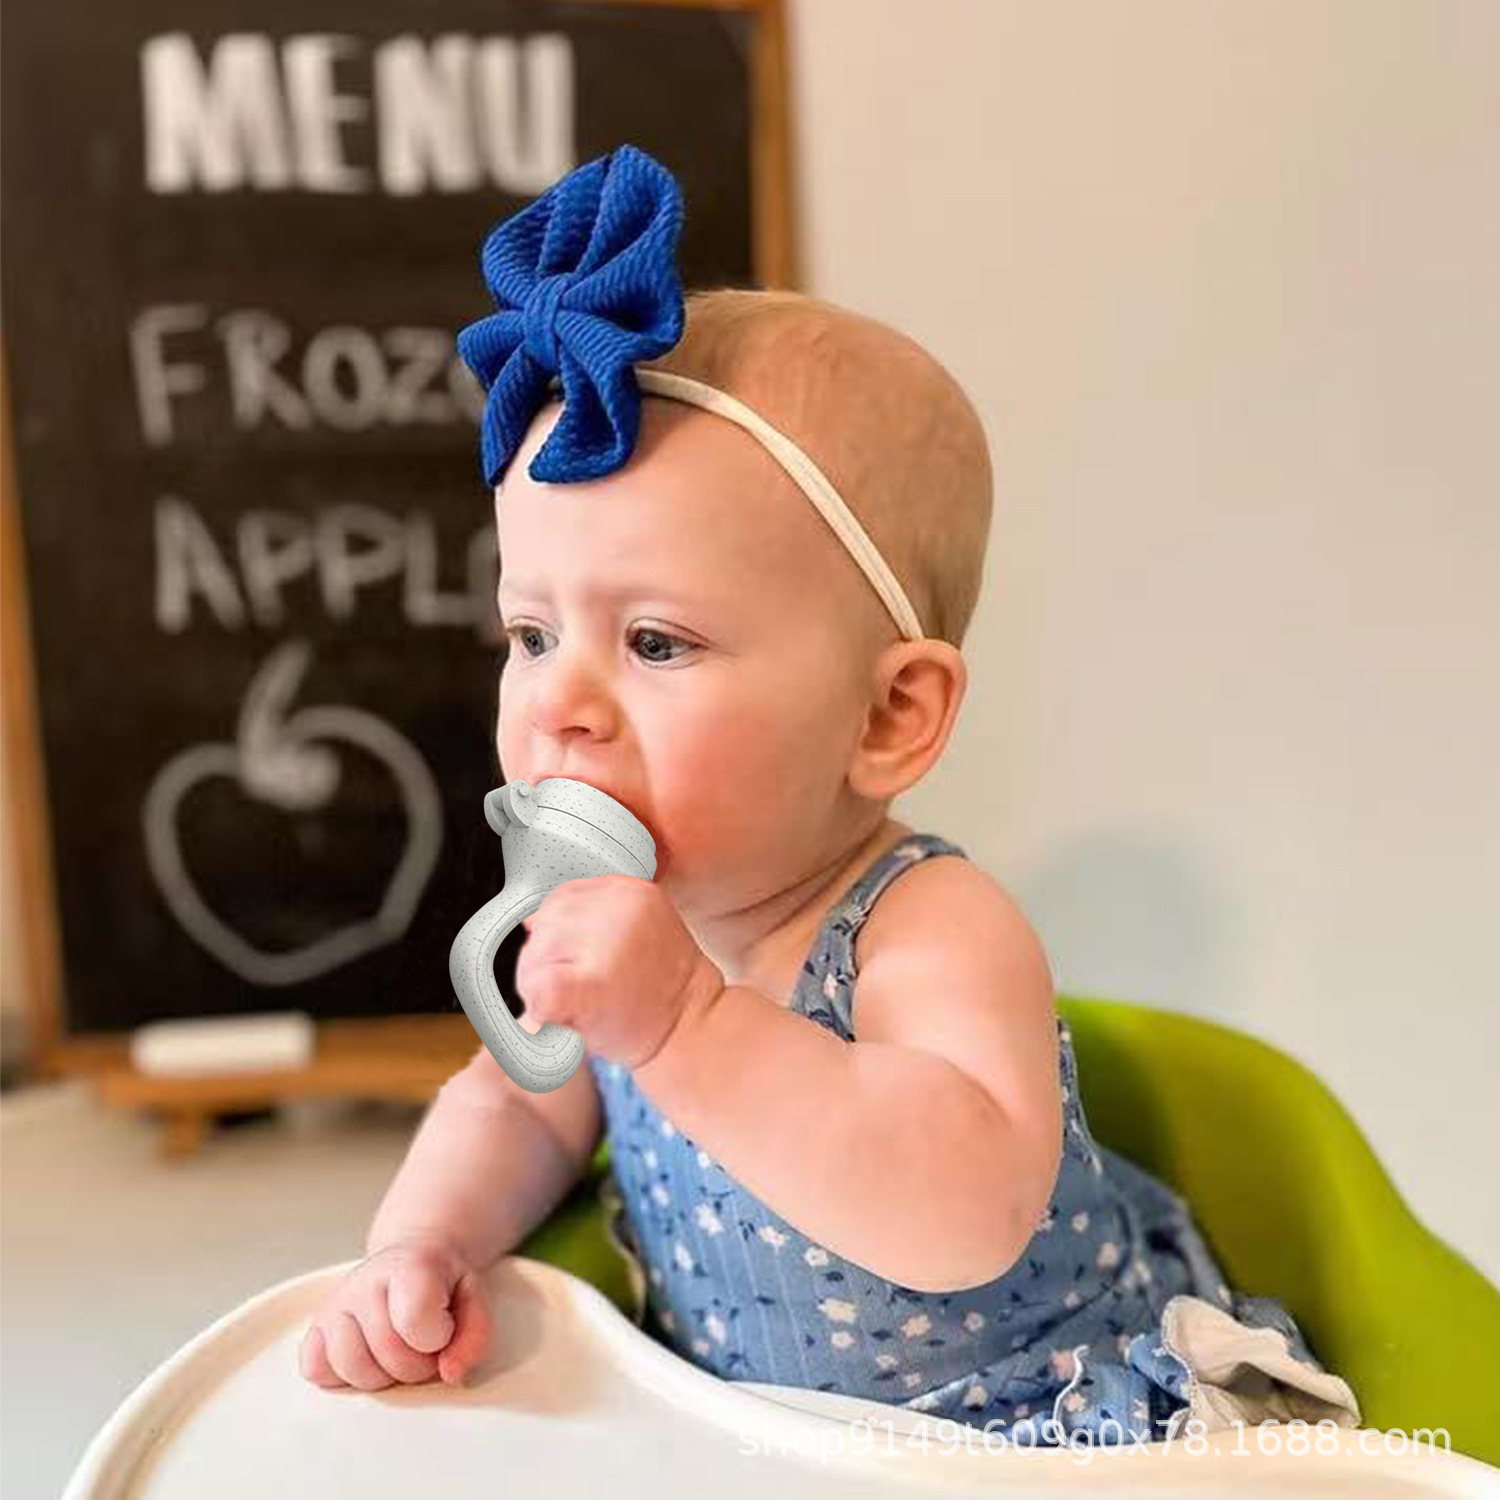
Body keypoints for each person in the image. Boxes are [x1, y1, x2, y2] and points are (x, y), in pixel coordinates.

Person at [298, 145, 1352, 1446]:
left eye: (655, 643)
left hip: (1027, 1437)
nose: (559, 702)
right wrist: (424, 1244)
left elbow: (959, 1217)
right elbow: (518, 1095)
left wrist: (685, 1026)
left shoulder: (929, 929)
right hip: (751, 1431)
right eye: (530, 635)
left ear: (886, 715)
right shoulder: (601, 922)